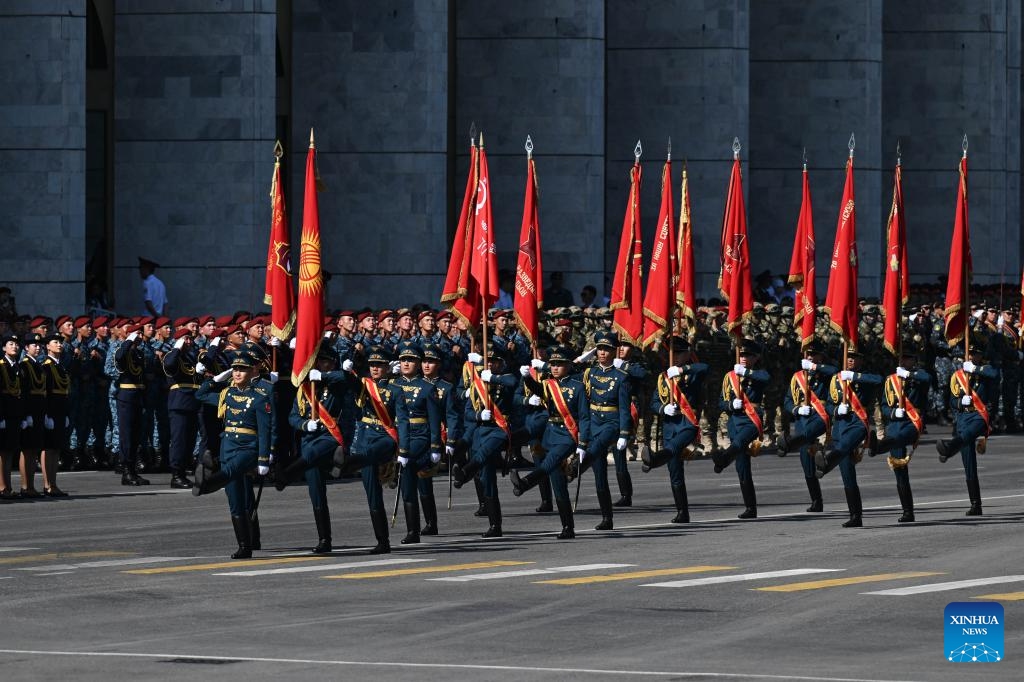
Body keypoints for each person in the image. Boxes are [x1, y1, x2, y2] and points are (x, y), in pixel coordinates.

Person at [193, 350, 274, 559]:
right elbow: (199, 395)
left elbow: (265, 431)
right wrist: (216, 379)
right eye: (235, 369)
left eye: (242, 369)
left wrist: (264, 458)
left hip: (248, 449)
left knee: (230, 470)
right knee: (235, 499)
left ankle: (206, 483)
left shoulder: (259, 398)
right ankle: (244, 546)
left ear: (251, 371)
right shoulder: (226, 394)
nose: (237, 373)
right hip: (228, 446)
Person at [511, 346, 590, 539]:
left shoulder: (577, 386)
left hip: (567, 435)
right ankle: (567, 528)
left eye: (559, 364)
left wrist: (583, 443)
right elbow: (538, 390)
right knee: (558, 484)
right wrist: (528, 378)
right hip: (550, 434)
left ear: (568, 366)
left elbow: (585, 417)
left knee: (550, 462)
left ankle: (526, 483)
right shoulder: (548, 384)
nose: (555, 368)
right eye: (552, 364)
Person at [283, 346, 356, 553]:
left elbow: (346, 378)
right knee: (316, 493)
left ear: (332, 363)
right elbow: (293, 416)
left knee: (312, 458)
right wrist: (305, 425)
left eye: (325, 361)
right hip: (309, 439)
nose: (320, 364)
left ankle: (286, 475)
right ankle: (325, 540)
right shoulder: (305, 388)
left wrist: (324, 375)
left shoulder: (335, 384)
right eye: (318, 361)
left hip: (329, 437)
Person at [451, 344, 517, 537]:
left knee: (485, 452)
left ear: (501, 363)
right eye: (489, 361)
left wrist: (493, 378)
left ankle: (464, 472)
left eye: (496, 361)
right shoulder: (477, 384)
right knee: (487, 478)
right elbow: (469, 413)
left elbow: (513, 381)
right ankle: (495, 525)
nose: (493, 364)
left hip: (500, 429)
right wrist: (480, 415)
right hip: (482, 429)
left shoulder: (503, 379)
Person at [643, 336, 707, 524]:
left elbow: (705, 368)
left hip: (687, 424)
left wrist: (682, 369)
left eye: (679, 353)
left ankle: (654, 460)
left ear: (688, 354)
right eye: (672, 353)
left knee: (674, 450)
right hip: (670, 425)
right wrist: (664, 409)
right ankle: (682, 512)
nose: (675, 356)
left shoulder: (692, 372)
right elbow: (654, 402)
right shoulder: (663, 378)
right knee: (675, 473)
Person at [814, 349, 882, 527]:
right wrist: (836, 410)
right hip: (840, 426)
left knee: (843, 448)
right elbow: (829, 403)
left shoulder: (864, 376)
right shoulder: (837, 378)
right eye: (849, 357)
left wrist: (854, 376)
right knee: (847, 474)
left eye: (855, 357)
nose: (850, 360)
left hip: (858, 424)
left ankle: (826, 462)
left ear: (861, 360)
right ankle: (855, 516)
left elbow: (877, 380)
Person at [576, 330, 632, 530]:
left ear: (614, 352)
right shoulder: (589, 373)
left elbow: (625, 408)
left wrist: (624, 433)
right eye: (599, 349)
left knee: (596, 449)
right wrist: (583, 359)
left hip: (611, 422)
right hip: (593, 423)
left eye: (606, 349)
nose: (602, 353)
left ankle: (573, 470)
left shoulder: (621, 376)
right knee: (599, 474)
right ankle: (607, 518)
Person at [936, 339, 998, 516]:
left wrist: (975, 369)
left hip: (980, 415)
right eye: (969, 354)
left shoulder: (985, 371)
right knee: (969, 463)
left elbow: (995, 374)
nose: (971, 356)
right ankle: (975, 504)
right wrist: (960, 402)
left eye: (975, 354)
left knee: (970, 434)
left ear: (980, 356)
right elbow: (951, 400)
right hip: (963, 416)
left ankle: (948, 449)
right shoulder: (958, 375)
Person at [870, 343, 930, 523]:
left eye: (908, 358)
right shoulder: (891, 380)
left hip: (912, 423)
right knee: (900, 471)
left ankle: (878, 447)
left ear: (914, 360)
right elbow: (884, 405)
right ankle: (907, 512)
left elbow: (927, 378)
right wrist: (893, 413)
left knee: (896, 440)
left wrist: (909, 375)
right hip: (895, 424)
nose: (904, 361)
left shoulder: (918, 377)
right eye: (902, 358)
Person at [712, 339, 770, 519]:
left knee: (739, 442)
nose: (744, 358)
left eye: (748, 355)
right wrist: (731, 404)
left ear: (756, 357)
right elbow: (721, 402)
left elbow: (765, 378)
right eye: (742, 354)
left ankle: (722, 460)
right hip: (734, 420)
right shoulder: (730, 376)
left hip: (752, 420)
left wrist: (745, 372)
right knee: (742, 466)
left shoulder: (758, 373)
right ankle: (750, 508)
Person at [392, 341, 442, 544]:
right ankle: (413, 529)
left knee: (410, 474)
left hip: (418, 436)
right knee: (406, 484)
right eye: (403, 359)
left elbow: (434, 419)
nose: (406, 363)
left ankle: (414, 530)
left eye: (410, 360)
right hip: (397, 434)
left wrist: (435, 446)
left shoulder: (427, 388)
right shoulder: (393, 385)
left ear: (419, 363)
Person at [778, 340, 837, 512]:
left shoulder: (825, 372)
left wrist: (815, 368)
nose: (810, 357)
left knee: (808, 437)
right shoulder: (798, 377)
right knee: (808, 466)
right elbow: (787, 400)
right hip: (802, 421)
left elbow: (835, 371)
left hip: (820, 418)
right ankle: (816, 501)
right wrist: (797, 409)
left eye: (814, 354)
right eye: (808, 354)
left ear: (820, 356)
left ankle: (788, 444)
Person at [162, 328, 201, 488]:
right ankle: (176, 475)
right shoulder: (172, 355)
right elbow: (169, 365)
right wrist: (177, 347)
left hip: (193, 401)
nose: (189, 342)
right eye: (186, 339)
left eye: (191, 339)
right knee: (179, 440)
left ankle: (183, 472)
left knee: (189, 440)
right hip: (179, 402)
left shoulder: (190, 357)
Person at [39, 334, 71, 496]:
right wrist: (46, 414)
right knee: (48, 448)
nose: (59, 345)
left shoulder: (60, 366)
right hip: (50, 411)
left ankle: (54, 483)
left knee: (56, 448)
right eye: (55, 342)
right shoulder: (46, 366)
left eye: (60, 343)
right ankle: (47, 484)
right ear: (48, 347)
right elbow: (45, 392)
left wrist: (65, 413)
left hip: (60, 410)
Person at [19, 333, 48, 497]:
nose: (37, 347)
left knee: (34, 450)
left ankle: (31, 485)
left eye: (39, 345)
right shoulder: (24, 365)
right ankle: (25, 486)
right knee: (27, 450)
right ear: (26, 348)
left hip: (39, 410)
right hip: (30, 411)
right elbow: (24, 392)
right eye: (33, 345)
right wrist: (26, 414)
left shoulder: (38, 365)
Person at [0, 334, 23, 500]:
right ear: (3, 348)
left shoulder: (17, 366)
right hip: (4, 412)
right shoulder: (2, 366)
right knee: (2, 452)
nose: (14, 346)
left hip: (15, 412)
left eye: (16, 344)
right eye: (10, 344)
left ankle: (7, 486)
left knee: (9, 452)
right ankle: (2, 487)